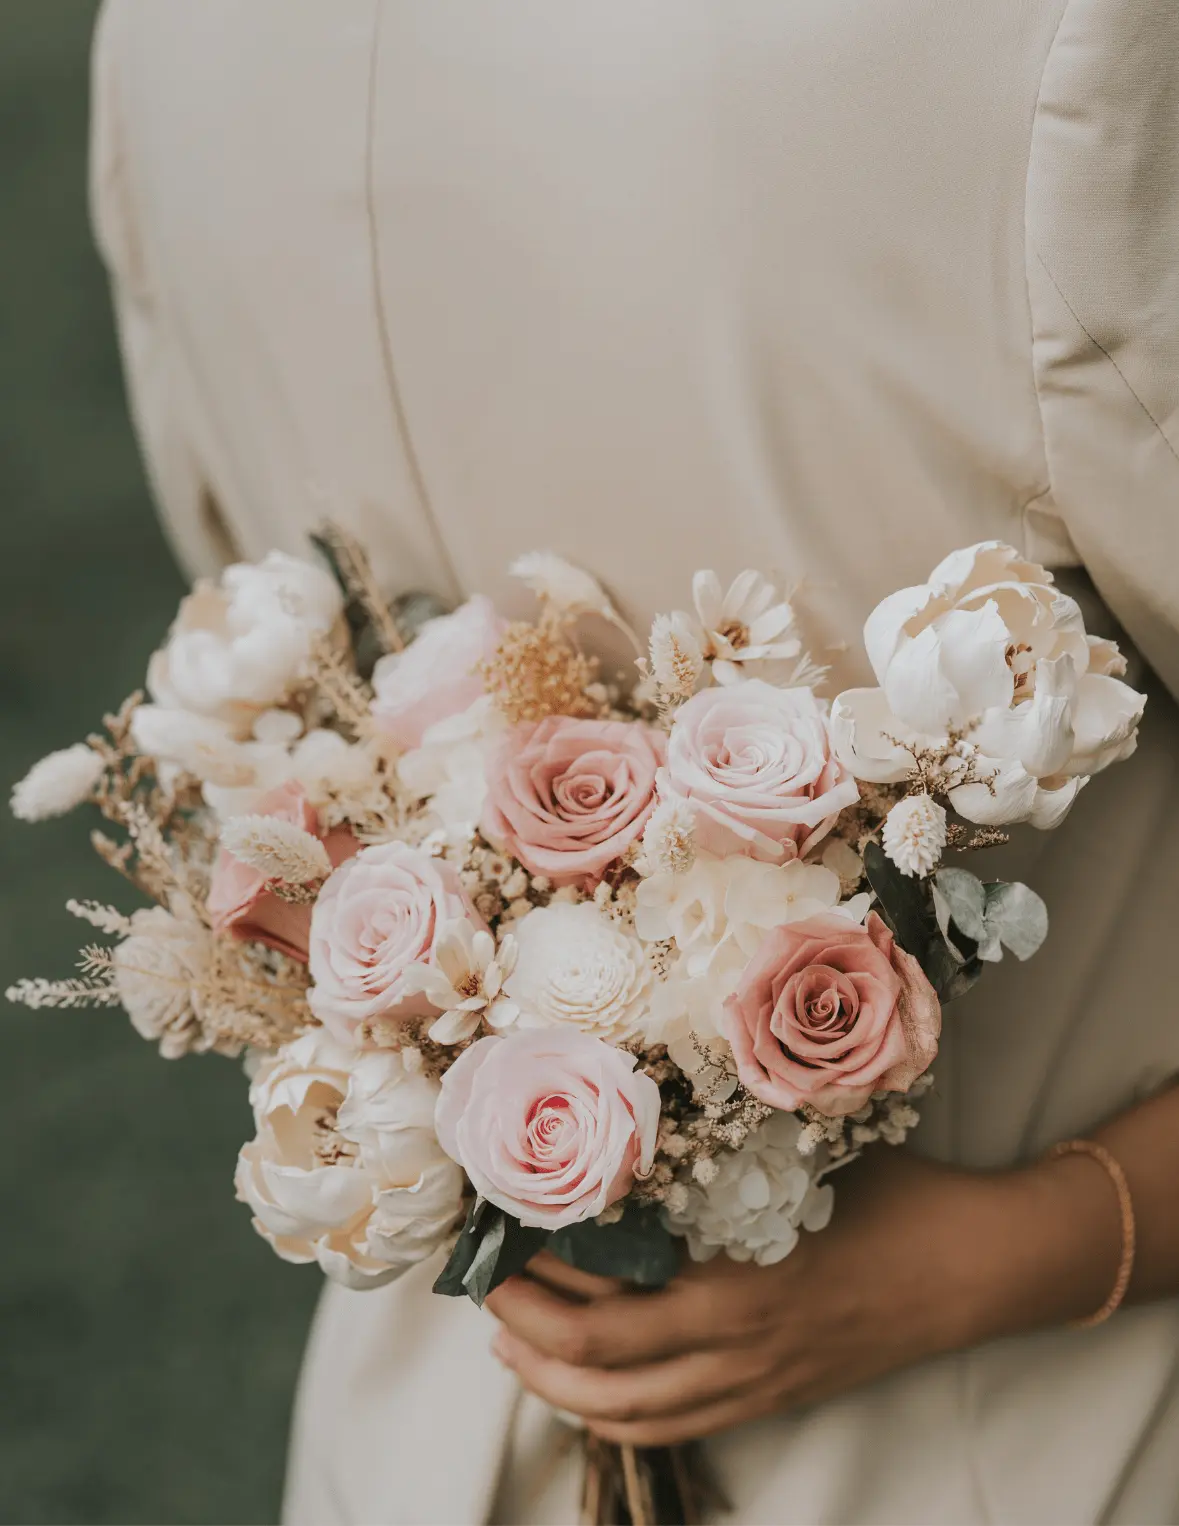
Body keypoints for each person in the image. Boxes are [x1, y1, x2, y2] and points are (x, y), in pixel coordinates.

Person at [90, 3, 1179, 1522]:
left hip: (425, 1438)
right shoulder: (1066, 40)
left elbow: (259, 601)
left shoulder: (174, 35)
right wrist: (1049, 1238)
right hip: (1039, 1433)